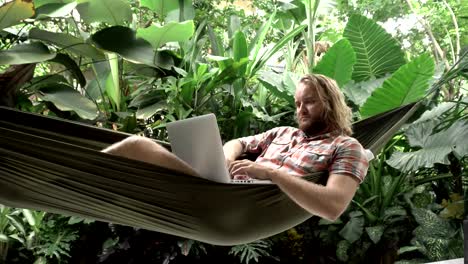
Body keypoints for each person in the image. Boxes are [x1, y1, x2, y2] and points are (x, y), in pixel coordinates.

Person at [102, 74, 369, 221]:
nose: (300, 110)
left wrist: (272, 174)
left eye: (309, 102)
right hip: (221, 186)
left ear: (331, 103)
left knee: (137, 146)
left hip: (237, 205)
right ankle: (70, 182)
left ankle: (63, 183)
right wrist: (225, 160)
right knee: (135, 151)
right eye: (297, 103)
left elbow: (333, 207)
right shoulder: (284, 133)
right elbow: (238, 143)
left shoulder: (346, 146)